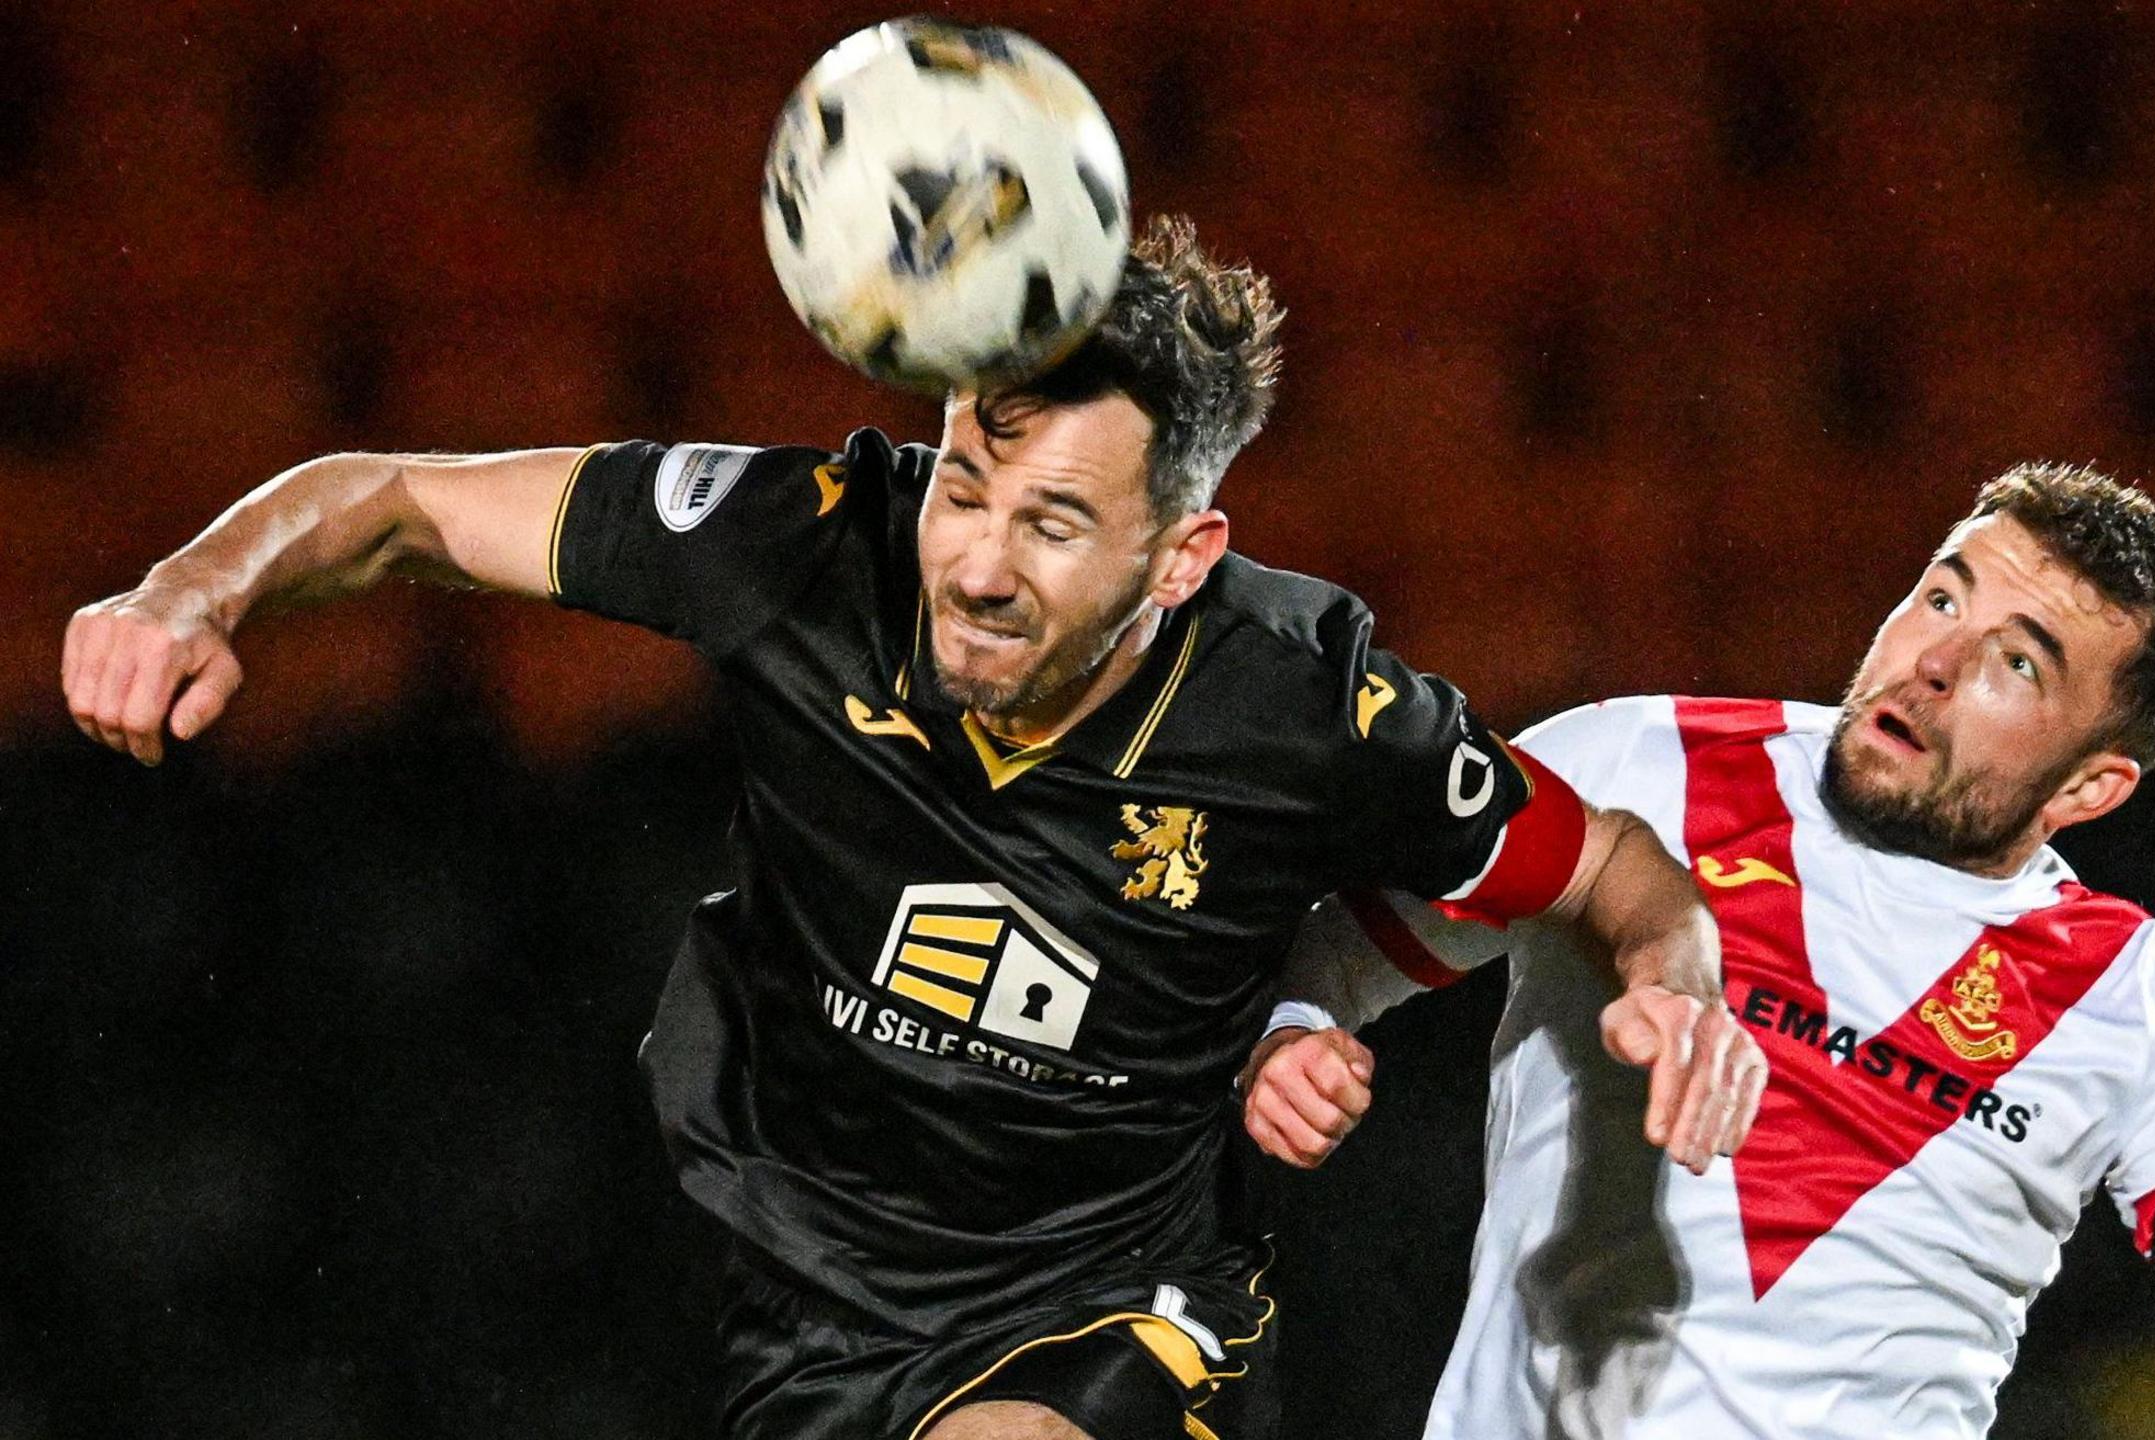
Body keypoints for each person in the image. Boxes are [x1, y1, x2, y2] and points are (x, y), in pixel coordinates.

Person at [59, 216, 1765, 1440]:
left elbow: (1617, 871)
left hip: (1106, 1299)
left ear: (1181, 557)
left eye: (1052, 521)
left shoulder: (1312, 705)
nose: (973, 561)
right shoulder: (808, 545)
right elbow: (404, 497)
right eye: (963, 483)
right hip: (799, 1281)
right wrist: (192, 587)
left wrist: (1679, 977)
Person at [1245, 462, 2155, 1439]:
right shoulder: (1639, 764)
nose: (1930, 661)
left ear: (2090, 788)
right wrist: (1299, 1031)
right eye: (1941, 595)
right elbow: (1350, 952)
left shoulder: (2129, 1003)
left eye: (2015, 665)